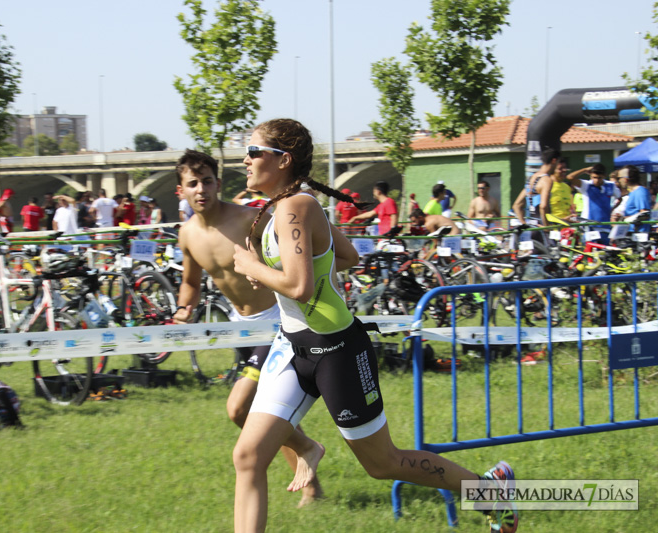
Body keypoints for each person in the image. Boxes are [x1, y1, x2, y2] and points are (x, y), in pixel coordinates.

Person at [231, 118, 517, 533]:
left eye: (254, 151)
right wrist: (284, 266)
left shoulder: (297, 206)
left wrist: (257, 266)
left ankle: (490, 491)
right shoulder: (286, 207)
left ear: (283, 159)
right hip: (293, 347)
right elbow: (346, 255)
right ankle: (310, 450)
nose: (246, 158)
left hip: (336, 352)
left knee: (383, 464)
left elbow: (300, 286)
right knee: (248, 456)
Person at [172, 148, 323, 507]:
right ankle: (311, 483)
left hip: (275, 327)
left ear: (218, 184)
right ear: (181, 191)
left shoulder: (248, 219)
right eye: (192, 184)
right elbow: (191, 283)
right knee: (271, 413)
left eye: (207, 181)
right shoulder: (187, 234)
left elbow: (292, 252)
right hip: (241, 331)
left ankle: (307, 449)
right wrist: (182, 310)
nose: (201, 189)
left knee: (239, 409)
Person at [567, 163, 621, 243]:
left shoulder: (610, 185)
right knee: (590, 253)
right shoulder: (586, 185)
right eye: (594, 177)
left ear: (604, 176)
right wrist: (585, 170)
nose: (596, 180)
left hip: (605, 226)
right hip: (589, 226)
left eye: (599, 178)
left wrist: (611, 210)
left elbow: (619, 198)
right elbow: (570, 177)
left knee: (605, 253)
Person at [512, 148, 560, 226]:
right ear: (554, 161)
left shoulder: (532, 178)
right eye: (558, 163)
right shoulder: (547, 180)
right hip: (542, 228)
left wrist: (524, 224)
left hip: (532, 226)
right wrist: (546, 227)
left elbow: (516, 205)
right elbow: (543, 206)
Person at [616, 165, 652, 233]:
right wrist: (622, 218)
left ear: (625, 179)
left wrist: (625, 220)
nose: (619, 181)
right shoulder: (632, 192)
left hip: (639, 234)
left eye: (619, 178)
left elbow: (645, 214)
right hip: (631, 233)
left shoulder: (640, 192)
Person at [547, 158, 573, 223]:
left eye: (565, 168)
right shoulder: (546, 186)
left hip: (567, 228)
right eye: (560, 168)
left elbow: (570, 208)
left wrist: (573, 217)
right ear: (553, 170)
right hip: (552, 228)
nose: (564, 170)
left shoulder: (566, 187)